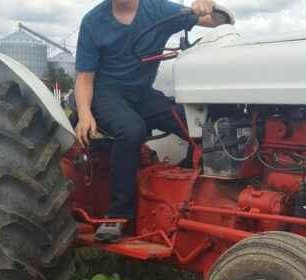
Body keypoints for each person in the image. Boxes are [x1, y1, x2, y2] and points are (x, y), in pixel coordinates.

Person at [73, 0, 222, 243]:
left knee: (196, 124)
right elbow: (85, 78)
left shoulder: (158, 10)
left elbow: (219, 21)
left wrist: (209, 7)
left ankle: (195, 192)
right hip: (105, 93)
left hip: (142, 92)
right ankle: (118, 214)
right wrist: (84, 113)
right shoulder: (94, 21)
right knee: (132, 130)